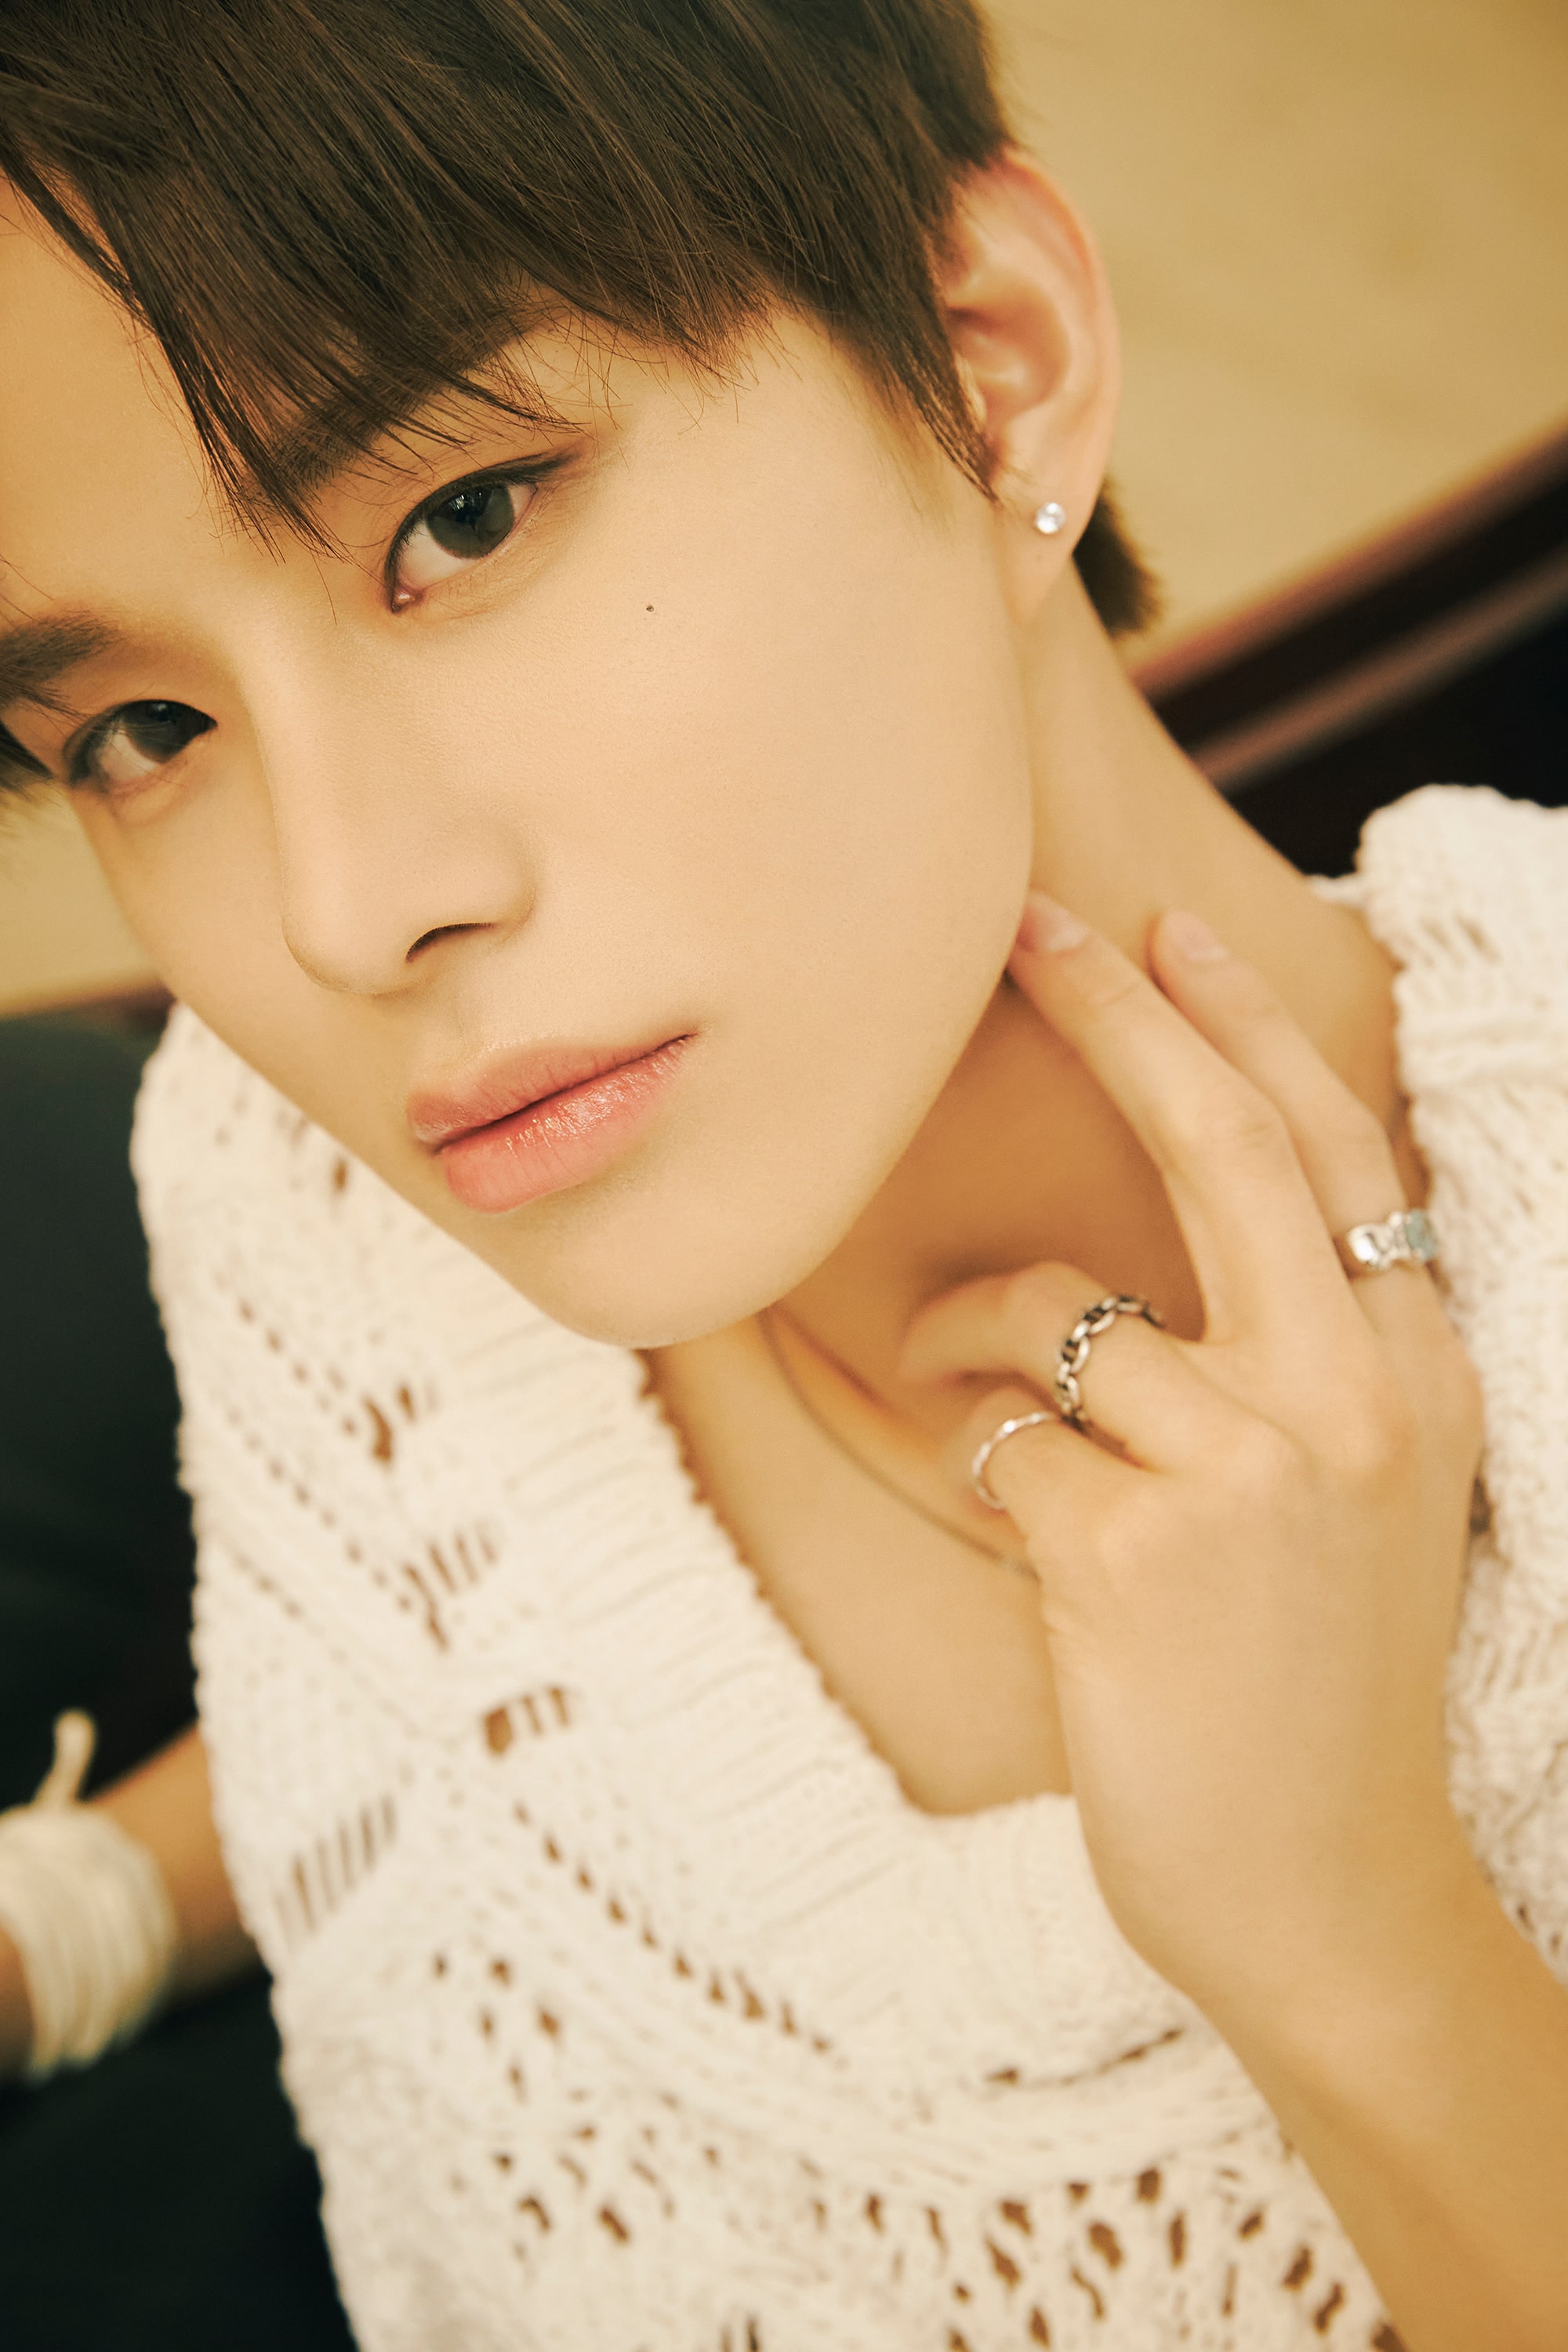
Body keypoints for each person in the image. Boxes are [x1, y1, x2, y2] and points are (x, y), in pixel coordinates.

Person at [1, 2, 1566, 2347]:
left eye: (461, 516)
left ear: (991, 375)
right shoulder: (288, 1182)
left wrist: (1348, 1930)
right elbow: (504, 1692)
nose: (338, 916)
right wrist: (92, 1912)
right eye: (141, 730)